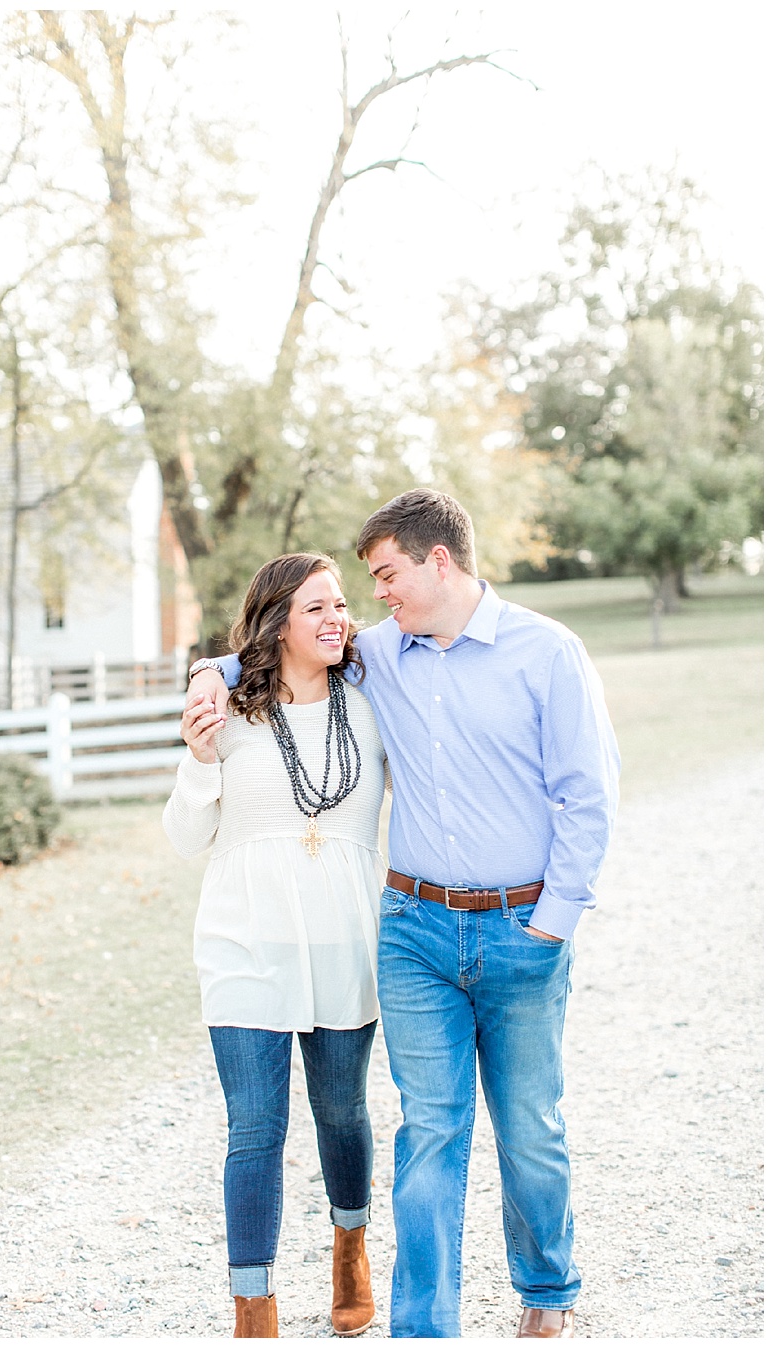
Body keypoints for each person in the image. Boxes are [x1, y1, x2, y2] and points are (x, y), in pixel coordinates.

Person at [188, 489, 620, 1339]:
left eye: (386, 575)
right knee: (430, 1129)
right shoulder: (380, 655)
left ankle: (545, 1289)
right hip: (415, 932)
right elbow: (276, 649)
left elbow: (589, 796)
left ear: (439, 562)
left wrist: (555, 922)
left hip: (523, 928)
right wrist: (212, 671)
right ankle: (424, 1327)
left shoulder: (547, 653)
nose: (374, 595)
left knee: (529, 1128)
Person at [164, 553, 387, 1339]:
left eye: (341, 604)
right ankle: (252, 1308)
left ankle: (350, 1250)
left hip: (344, 942)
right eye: (316, 607)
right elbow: (185, 838)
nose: (337, 619)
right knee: (255, 1127)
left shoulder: (373, 701)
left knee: (341, 1112)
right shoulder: (227, 712)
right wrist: (199, 760)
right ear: (278, 622)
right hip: (244, 942)